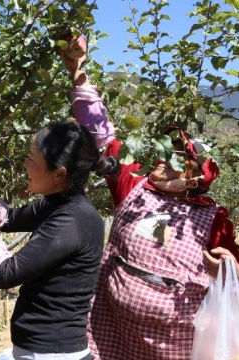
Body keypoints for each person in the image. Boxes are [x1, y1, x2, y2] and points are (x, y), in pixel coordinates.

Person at [62, 49, 238, 359]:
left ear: (195, 176)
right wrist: (77, 69)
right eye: (165, 148)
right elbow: (101, 133)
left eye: (179, 156)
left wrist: (226, 267)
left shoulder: (213, 218)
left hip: (174, 344)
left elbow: (232, 273)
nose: (165, 157)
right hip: (114, 330)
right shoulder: (133, 183)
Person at [0, 121, 118, 360]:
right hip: (39, 351)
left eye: (32, 160)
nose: (25, 165)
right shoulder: (56, 203)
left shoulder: (72, 220)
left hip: (53, 354)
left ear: (59, 174)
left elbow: (5, 273)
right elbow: (10, 219)